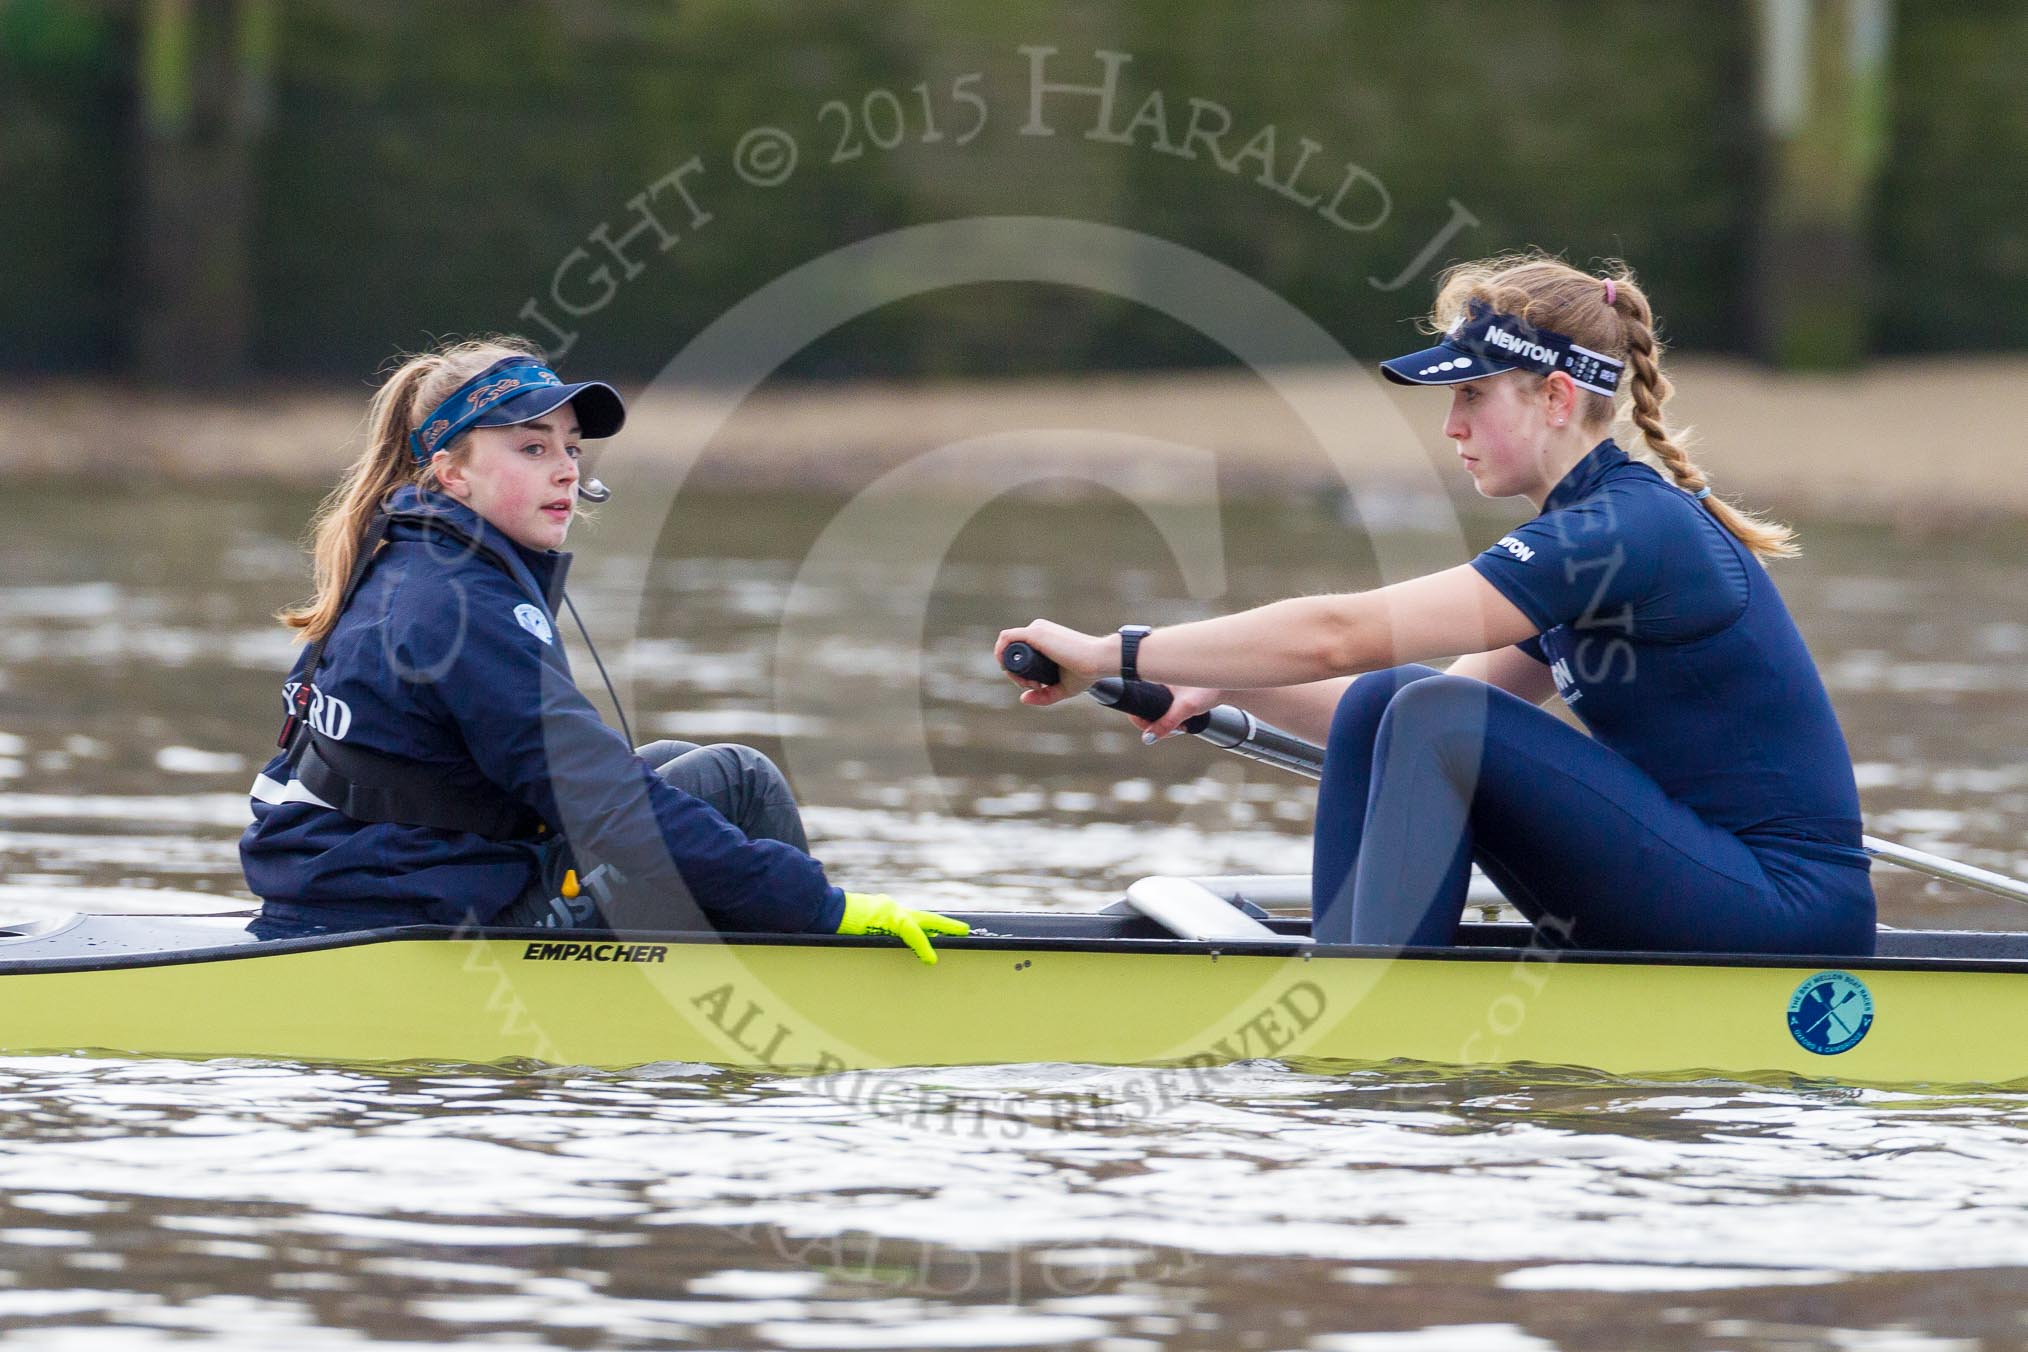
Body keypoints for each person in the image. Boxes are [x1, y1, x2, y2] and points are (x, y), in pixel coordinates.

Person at [998, 253, 1874, 956]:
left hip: (1783, 912)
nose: (1450, 426)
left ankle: (1367, 1006)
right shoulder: (1589, 534)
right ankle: (1355, 967)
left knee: (1433, 711)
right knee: (1401, 702)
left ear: (1556, 398)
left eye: (1470, 395)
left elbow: (1343, 639)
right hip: (1708, 880)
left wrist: (1117, 650)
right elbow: (1392, 722)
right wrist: (1220, 683)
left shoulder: (1624, 532)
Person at [241, 336, 966, 962]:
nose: (567, 470)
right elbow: (606, 806)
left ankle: (759, 954)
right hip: (415, 922)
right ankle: (804, 986)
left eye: (571, 449)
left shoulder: (398, 556)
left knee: (675, 763)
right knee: (738, 779)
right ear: (450, 471)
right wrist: (825, 908)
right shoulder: (459, 605)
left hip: (366, 887)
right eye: (532, 448)